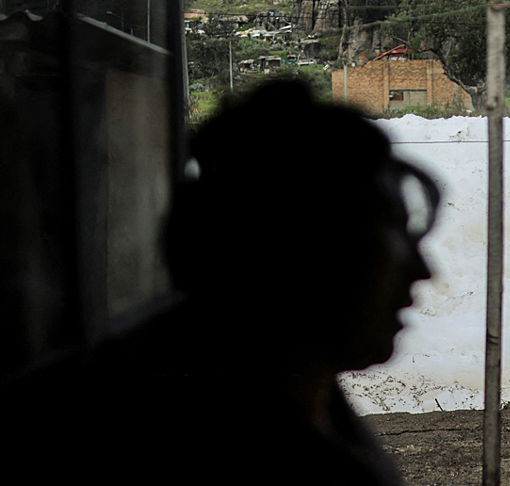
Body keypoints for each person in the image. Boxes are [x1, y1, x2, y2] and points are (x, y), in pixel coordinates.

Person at [86, 80, 439, 481]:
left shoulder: (282, 389)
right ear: (295, 257)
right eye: (385, 235)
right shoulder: (199, 442)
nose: (421, 272)